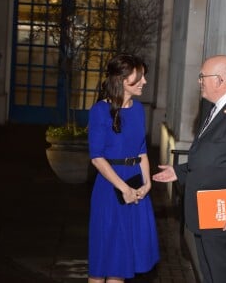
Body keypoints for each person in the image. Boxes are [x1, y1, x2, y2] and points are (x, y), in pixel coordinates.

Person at [153, 54, 226, 283]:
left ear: (219, 80)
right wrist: (179, 172)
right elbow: (213, 157)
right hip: (207, 216)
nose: (199, 81)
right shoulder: (217, 107)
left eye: (202, 77)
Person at [87, 53, 160, 283]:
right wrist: (123, 189)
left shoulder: (138, 110)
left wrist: (147, 182)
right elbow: (97, 158)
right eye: (138, 78)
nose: (144, 82)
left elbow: (141, 150)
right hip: (110, 188)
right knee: (102, 260)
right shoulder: (100, 111)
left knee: (121, 260)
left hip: (135, 184)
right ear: (121, 80)